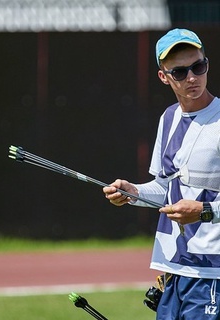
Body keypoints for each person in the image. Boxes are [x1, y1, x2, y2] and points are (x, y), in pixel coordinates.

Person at [103, 28, 220, 319]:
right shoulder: (168, 118)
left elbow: (201, 207)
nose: (192, 77)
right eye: (180, 72)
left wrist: (205, 211)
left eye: (198, 66)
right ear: (163, 77)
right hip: (172, 269)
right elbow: (164, 188)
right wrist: (133, 193)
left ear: (207, 63)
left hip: (212, 272)